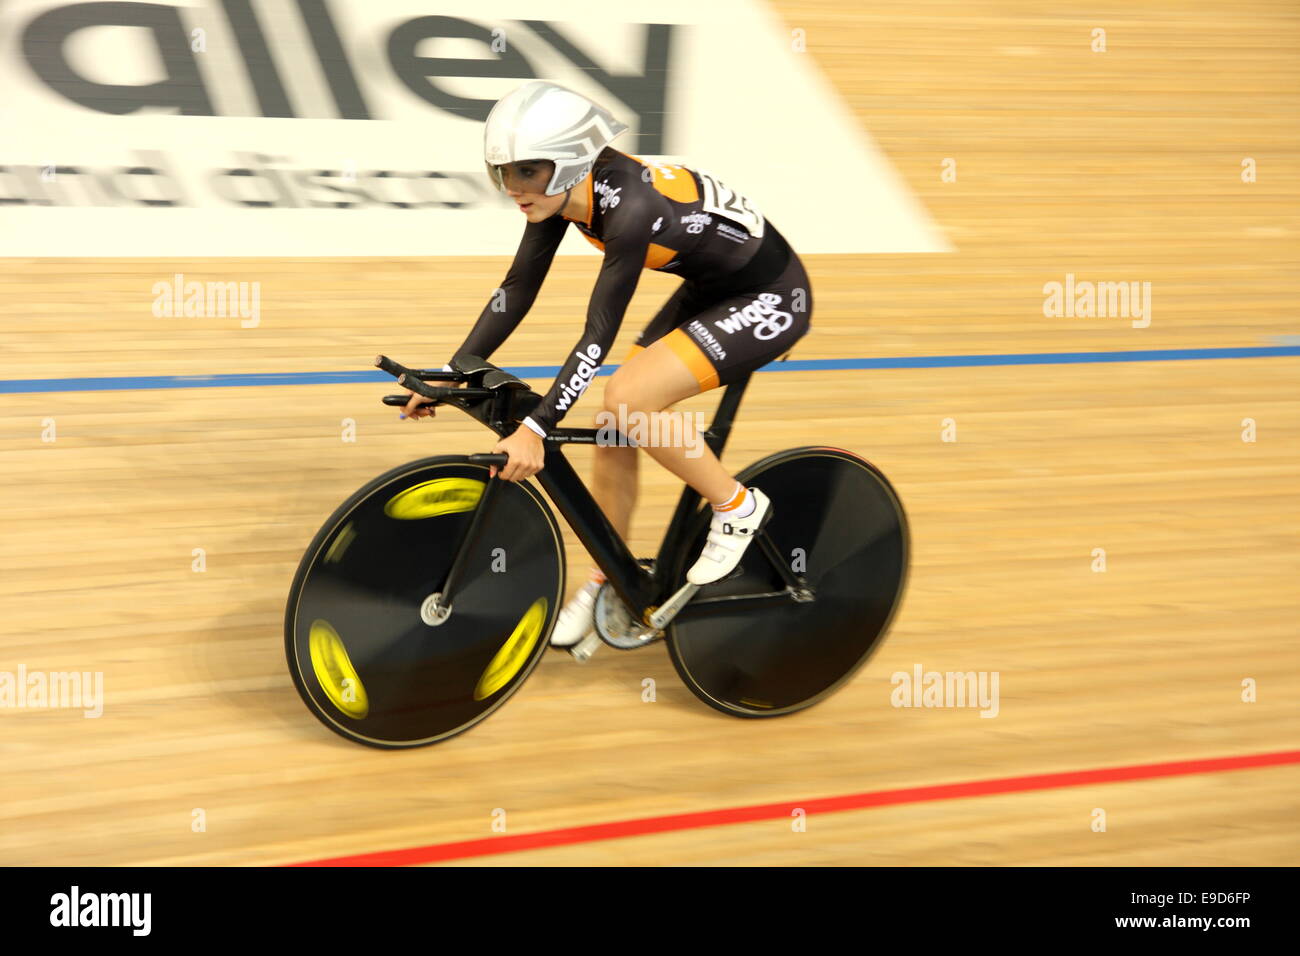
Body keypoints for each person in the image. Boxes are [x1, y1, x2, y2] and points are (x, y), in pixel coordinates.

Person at [401, 79, 812, 652]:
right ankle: (612, 578)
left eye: (526, 171)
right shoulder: (558, 194)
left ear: (570, 161)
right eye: (503, 174)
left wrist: (536, 429)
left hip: (769, 296)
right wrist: (455, 372)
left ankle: (738, 505)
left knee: (628, 401)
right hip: (711, 288)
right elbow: (516, 291)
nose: (513, 189)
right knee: (614, 426)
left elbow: (597, 334)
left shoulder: (631, 207)